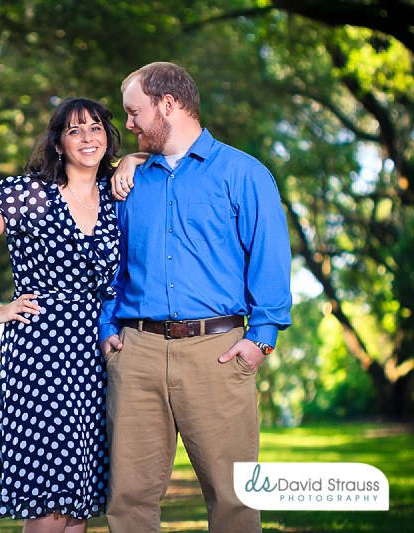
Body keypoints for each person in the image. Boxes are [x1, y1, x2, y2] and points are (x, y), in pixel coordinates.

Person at [98, 62, 293, 533]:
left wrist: (260, 339)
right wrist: (108, 329)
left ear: (168, 104)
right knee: (127, 500)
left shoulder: (244, 174)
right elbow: (109, 265)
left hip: (219, 353)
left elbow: (269, 258)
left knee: (234, 498)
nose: (126, 125)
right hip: (136, 352)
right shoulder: (128, 183)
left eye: (133, 112)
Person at [0, 97, 122, 532]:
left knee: (80, 497)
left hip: (94, 353)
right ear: (58, 143)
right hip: (40, 351)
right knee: (49, 497)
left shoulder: (117, 192)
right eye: (75, 130)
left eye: (96, 128)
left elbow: (149, 160)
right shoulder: (28, 193)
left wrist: (133, 160)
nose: (87, 138)